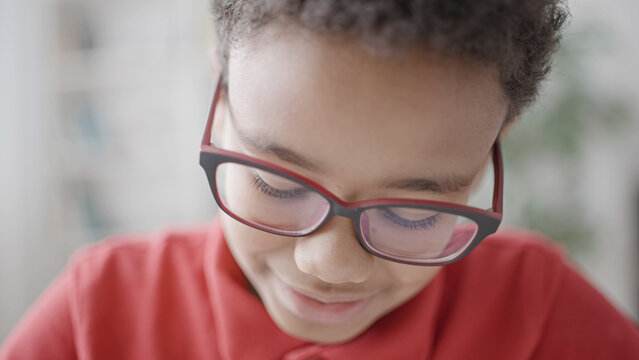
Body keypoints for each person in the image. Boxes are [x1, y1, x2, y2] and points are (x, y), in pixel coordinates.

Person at [2, 0, 639, 359]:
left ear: (491, 153)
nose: (330, 264)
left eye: (413, 215)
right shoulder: (99, 316)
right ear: (218, 94)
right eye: (277, 184)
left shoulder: (542, 316)